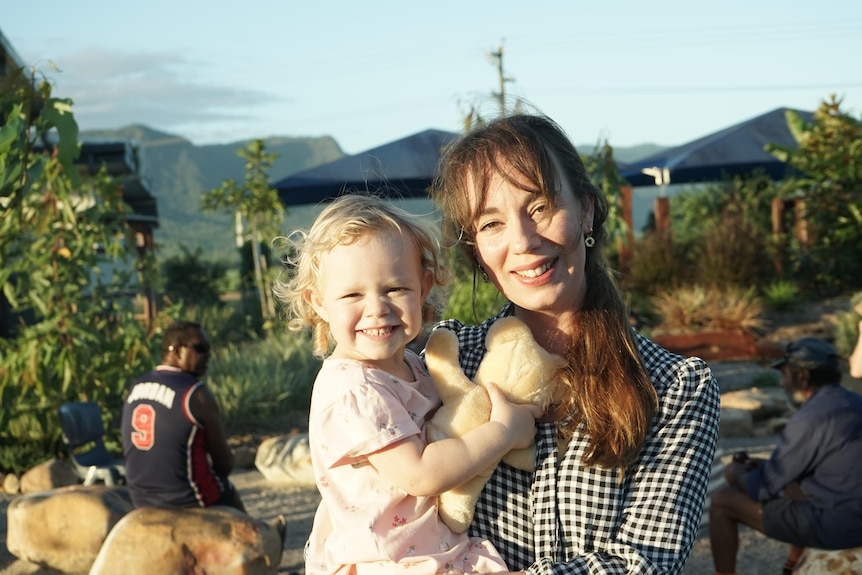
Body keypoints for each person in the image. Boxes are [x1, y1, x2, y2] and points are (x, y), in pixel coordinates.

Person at [428, 113, 721, 574]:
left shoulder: (674, 388)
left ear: (585, 210)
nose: (522, 242)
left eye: (540, 208)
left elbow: (644, 562)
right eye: (492, 224)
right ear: (477, 254)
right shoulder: (443, 363)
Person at [272, 193, 542, 575]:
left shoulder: (415, 366)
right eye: (352, 294)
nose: (377, 307)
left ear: (424, 285)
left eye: (395, 288)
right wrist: (502, 431)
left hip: (424, 549)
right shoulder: (355, 390)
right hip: (389, 561)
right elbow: (422, 474)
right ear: (317, 301)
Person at [709, 337, 862, 575]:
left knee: (722, 502)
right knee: (791, 486)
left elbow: (764, 488)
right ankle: (792, 564)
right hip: (851, 509)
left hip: (839, 525)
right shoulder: (853, 402)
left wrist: (737, 474)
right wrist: (762, 467)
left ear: (802, 376)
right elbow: (801, 469)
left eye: (785, 375)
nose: (781, 383)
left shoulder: (811, 417)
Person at [121, 320, 245, 511]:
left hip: (140, 498)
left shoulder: (135, 386)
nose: (208, 355)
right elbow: (224, 464)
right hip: (188, 499)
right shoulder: (196, 394)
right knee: (229, 493)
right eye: (201, 348)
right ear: (176, 351)